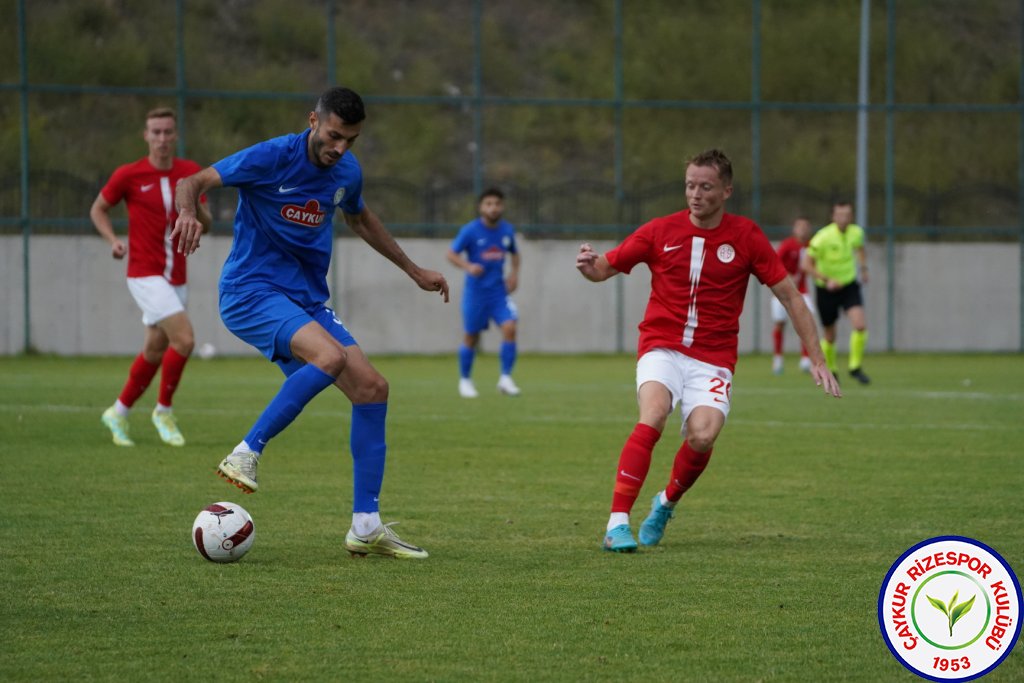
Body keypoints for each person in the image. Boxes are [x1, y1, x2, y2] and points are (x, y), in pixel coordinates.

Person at [171, 86, 450, 559]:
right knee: (330, 355)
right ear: (313, 121)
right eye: (334, 135)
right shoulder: (271, 157)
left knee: (372, 388)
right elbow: (193, 181)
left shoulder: (346, 172)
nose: (339, 147)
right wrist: (188, 212)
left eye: (351, 140)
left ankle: (366, 526)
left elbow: (360, 220)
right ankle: (247, 451)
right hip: (250, 291)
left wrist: (413, 270)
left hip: (305, 300)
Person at [575, 149, 841, 553]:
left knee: (703, 435)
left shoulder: (747, 236)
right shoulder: (659, 231)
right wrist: (588, 265)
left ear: (726, 191)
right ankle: (616, 524)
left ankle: (665, 503)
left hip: (713, 358)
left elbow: (791, 297)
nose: (695, 194)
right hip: (661, 346)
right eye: (689, 186)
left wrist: (817, 358)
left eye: (705, 186)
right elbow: (603, 269)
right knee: (654, 414)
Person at [90, 107, 212, 448]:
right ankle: (163, 411)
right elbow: (98, 208)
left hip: (178, 276)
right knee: (185, 340)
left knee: (155, 349)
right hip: (144, 273)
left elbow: (208, 223)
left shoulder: (190, 173)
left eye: (167, 132)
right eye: (155, 132)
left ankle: (118, 412)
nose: (161, 139)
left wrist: (198, 206)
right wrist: (113, 240)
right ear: (146, 135)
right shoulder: (129, 174)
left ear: (175, 135)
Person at [446, 188, 522, 398]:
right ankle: (465, 381)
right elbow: (451, 254)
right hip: (476, 293)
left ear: (502, 206)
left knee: (510, 328)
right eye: (488, 204)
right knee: (471, 336)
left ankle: (506, 379)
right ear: (481, 207)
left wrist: (514, 275)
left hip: (499, 293)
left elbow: (515, 254)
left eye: (497, 203)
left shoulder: (507, 231)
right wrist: (468, 266)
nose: (493, 208)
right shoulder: (470, 231)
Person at [802, 200, 871, 385]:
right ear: (833, 216)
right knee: (830, 335)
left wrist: (864, 269)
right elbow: (806, 265)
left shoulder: (856, 232)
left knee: (860, 325)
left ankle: (855, 367)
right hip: (826, 289)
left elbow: (860, 248)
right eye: (840, 214)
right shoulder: (822, 237)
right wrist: (826, 280)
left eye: (847, 215)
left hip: (849, 285)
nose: (844, 218)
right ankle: (831, 369)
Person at [770, 217, 814, 375]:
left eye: (805, 227)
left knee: (806, 321)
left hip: (802, 291)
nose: (802, 230)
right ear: (794, 229)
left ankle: (805, 359)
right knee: (780, 324)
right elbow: (774, 261)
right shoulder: (788, 245)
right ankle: (778, 359)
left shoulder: (812, 245)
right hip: (782, 290)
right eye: (799, 226)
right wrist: (787, 276)